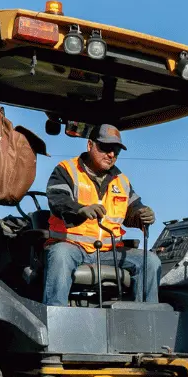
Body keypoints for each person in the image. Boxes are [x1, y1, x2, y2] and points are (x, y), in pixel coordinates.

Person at [43, 124, 161, 306]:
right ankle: (53, 318)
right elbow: (57, 199)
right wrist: (79, 209)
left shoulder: (121, 180)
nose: (111, 154)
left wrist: (142, 215)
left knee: (150, 261)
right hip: (72, 246)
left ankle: (144, 321)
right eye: (105, 148)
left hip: (108, 251)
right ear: (90, 145)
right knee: (60, 255)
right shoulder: (67, 170)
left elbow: (133, 210)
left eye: (116, 150)